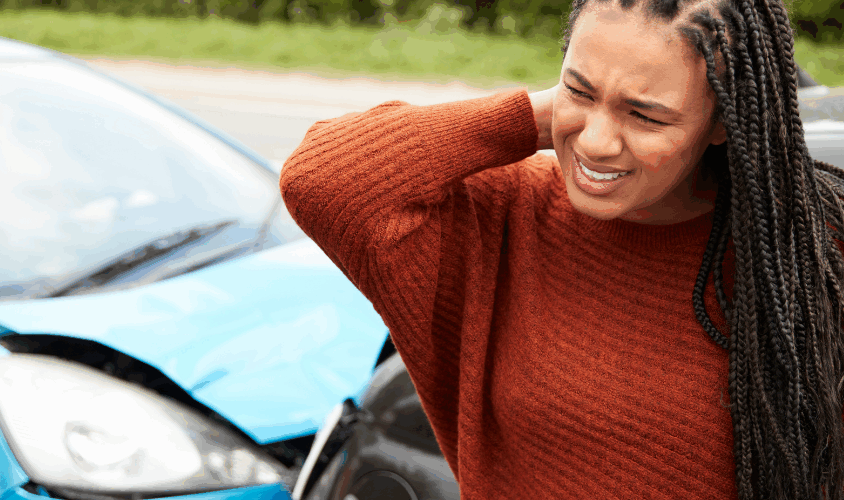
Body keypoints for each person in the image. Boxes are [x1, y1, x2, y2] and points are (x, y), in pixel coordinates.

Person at [279, 0, 844, 496]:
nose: (596, 143)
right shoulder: (504, 216)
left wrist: (596, 93)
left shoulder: (806, 254)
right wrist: (546, 114)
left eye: (644, 114)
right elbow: (322, 178)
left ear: (722, 121)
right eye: (578, 88)